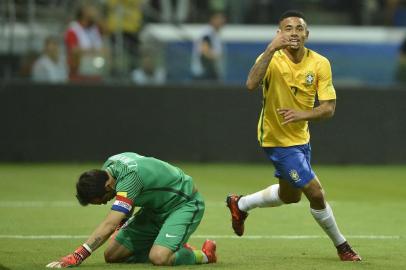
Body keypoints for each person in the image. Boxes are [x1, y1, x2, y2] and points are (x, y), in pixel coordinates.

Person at [226, 10, 362, 262]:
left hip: (301, 139)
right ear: (279, 34)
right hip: (275, 140)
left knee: (290, 196)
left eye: (299, 28)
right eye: (287, 28)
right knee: (316, 193)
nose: (293, 33)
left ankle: (240, 204)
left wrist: (301, 114)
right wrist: (269, 50)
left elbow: (329, 108)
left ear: (306, 35)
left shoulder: (320, 63)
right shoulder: (271, 59)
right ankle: (343, 246)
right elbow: (250, 84)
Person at [46, 152, 216, 268]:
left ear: (107, 185)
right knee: (112, 255)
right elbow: (128, 201)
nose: (106, 203)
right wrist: (122, 223)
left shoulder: (129, 178)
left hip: (184, 204)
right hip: (155, 209)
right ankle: (168, 242)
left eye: (103, 200)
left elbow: (110, 224)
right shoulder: (110, 166)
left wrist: (78, 255)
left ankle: (204, 255)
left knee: (159, 257)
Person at [64, 3, 109, 81]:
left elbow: (107, 32)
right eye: (92, 10)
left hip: (96, 74)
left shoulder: (96, 28)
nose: (95, 12)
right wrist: (94, 51)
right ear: (84, 13)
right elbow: (74, 51)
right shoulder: (74, 28)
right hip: (78, 75)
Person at [191, 12, 226, 81]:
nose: (221, 21)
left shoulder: (215, 34)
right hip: (203, 74)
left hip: (209, 73)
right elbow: (205, 50)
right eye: (219, 18)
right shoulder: (207, 33)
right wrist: (216, 56)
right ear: (212, 19)